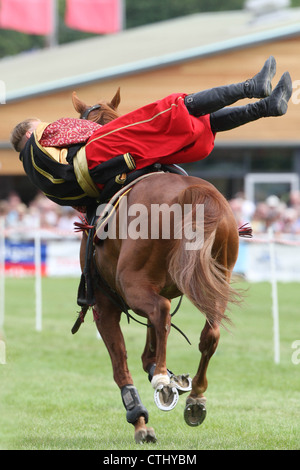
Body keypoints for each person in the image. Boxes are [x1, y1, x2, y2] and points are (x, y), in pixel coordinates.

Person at [10, 56, 292, 209]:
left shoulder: (43, 181)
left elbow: (85, 206)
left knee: (199, 125)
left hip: (111, 176)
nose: (44, 127)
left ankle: (267, 106)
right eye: (38, 125)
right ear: (27, 135)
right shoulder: (39, 138)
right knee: (169, 108)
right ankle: (251, 89)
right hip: (99, 154)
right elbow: (89, 129)